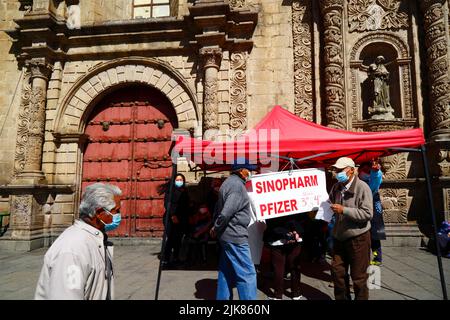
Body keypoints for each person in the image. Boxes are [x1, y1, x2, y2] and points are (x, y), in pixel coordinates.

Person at [35, 183, 122, 300]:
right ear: (99, 213)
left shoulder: (95, 240)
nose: (119, 215)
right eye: (116, 211)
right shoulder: (72, 251)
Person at [209, 158, 258, 300]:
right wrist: (216, 227)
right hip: (235, 236)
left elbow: (221, 210)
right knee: (247, 274)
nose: (250, 172)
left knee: (226, 270)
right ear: (241, 171)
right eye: (249, 170)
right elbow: (226, 212)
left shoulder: (229, 183)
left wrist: (216, 228)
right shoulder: (236, 186)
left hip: (227, 235)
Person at [328, 157, 373, 300]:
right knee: (337, 273)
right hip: (339, 236)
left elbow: (367, 213)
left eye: (340, 170)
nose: (337, 173)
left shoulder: (362, 187)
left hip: (358, 238)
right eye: (336, 170)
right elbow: (329, 202)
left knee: (359, 277)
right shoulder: (336, 187)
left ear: (352, 170)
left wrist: (344, 210)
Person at [263, 214, 305, 300]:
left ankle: (278, 295)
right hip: (293, 238)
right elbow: (303, 217)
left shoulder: (268, 200)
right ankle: (296, 293)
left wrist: (287, 233)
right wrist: (296, 231)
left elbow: (270, 221)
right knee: (294, 266)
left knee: (279, 268)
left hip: (277, 238)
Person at [358, 159, 386, 266]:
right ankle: (364, 257)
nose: (365, 173)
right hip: (362, 213)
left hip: (374, 214)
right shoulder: (358, 181)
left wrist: (375, 172)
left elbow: (376, 179)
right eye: (364, 170)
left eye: (368, 171)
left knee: (374, 237)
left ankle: (377, 258)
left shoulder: (371, 182)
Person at [162, 173, 191, 267]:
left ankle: (176, 258)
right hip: (171, 219)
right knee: (170, 238)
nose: (179, 182)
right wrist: (173, 215)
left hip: (182, 219)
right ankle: (166, 259)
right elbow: (167, 204)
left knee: (178, 239)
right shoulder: (170, 191)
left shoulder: (184, 191)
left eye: (181, 180)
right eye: (177, 180)